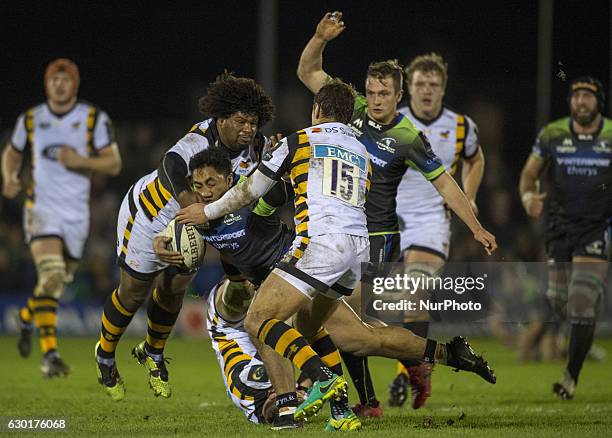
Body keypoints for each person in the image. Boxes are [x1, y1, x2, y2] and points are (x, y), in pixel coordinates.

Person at [166, 143, 494, 430]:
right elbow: (179, 242)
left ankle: (290, 405)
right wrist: (161, 244)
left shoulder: (245, 201)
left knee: (262, 324)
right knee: (363, 339)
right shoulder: (198, 216)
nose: (206, 191)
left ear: (229, 179)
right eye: (199, 185)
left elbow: (275, 196)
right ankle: (449, 353)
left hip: (297, 271)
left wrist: (272, 170)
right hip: (294, 281)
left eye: (212, 182)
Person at [296, 11, 496, 416]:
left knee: (347, 320)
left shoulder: (407, 137)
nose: (374, 101)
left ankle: (399, 377)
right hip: (340, 231)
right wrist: (320, 37)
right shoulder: (349, 108)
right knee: (350, 325)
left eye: (383, 94)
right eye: (370, 92)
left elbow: (444, 183)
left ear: (397, 96)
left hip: (378, 240)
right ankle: (392, 382)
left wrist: (475, 226)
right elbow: (308, 71)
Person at [93, 73, 273, 401]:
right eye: (241, 121)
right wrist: (189, 203)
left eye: (254, 122)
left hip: (195, 222)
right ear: (221, 118)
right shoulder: (200, 138)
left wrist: (236, 276)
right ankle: (104, 354)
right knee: (134, 293)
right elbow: (171, 163)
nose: (249, 129)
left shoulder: (257, 147)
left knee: (175, 289)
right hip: (151, 215)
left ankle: (153, 353)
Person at [2, 58, 121, 377]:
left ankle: (27, 316)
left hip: (76, 213)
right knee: (52, 273)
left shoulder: (93, 118)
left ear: (75, 84)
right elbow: (12, 152)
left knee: (56, 282)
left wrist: (80, 160)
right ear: (46, 83)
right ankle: (50, 355)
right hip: (41, 208)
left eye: (65, 78)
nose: (59, 83)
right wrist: (9, 176)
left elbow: (113, 163)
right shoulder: (31, 119)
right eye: (53, 78)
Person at [389, 52, 485, 408]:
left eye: (433, 85)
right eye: (420, 84)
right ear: (407, 89)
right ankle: (414, 363)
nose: (426, 91)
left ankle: (407, 372)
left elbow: (475, 158)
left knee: (414, 295)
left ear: (443, 89)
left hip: (431, 221)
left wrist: (470, 195)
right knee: (378, 306)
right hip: (387, 221)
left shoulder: (461, 126)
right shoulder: (393, 121)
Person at [519, 76, 611, 399]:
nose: (581, 102)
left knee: (582, 301)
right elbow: (529, 175)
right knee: (558, 303)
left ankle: (570, 377)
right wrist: (528, 197)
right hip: (560, 229)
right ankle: (563, 338)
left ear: (599, 101)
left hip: (596, 229)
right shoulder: (553, 133)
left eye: (588, 96)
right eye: (576, 96)